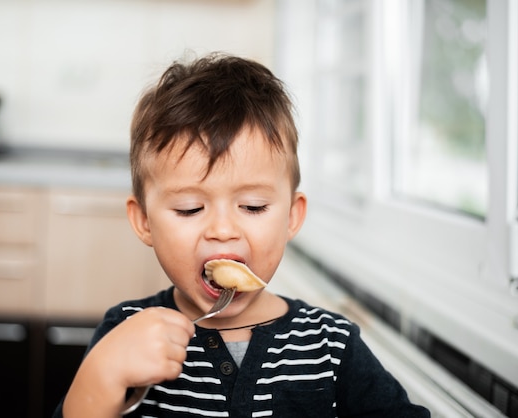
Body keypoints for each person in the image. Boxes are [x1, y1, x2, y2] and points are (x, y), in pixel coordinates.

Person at [54, 52, 430, 417]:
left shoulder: (330, 346)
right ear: (145, 222)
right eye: (189, 209)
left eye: (252, 206)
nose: (222, 230)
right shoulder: (126, 331)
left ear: (291, 217)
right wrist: (99, 378)